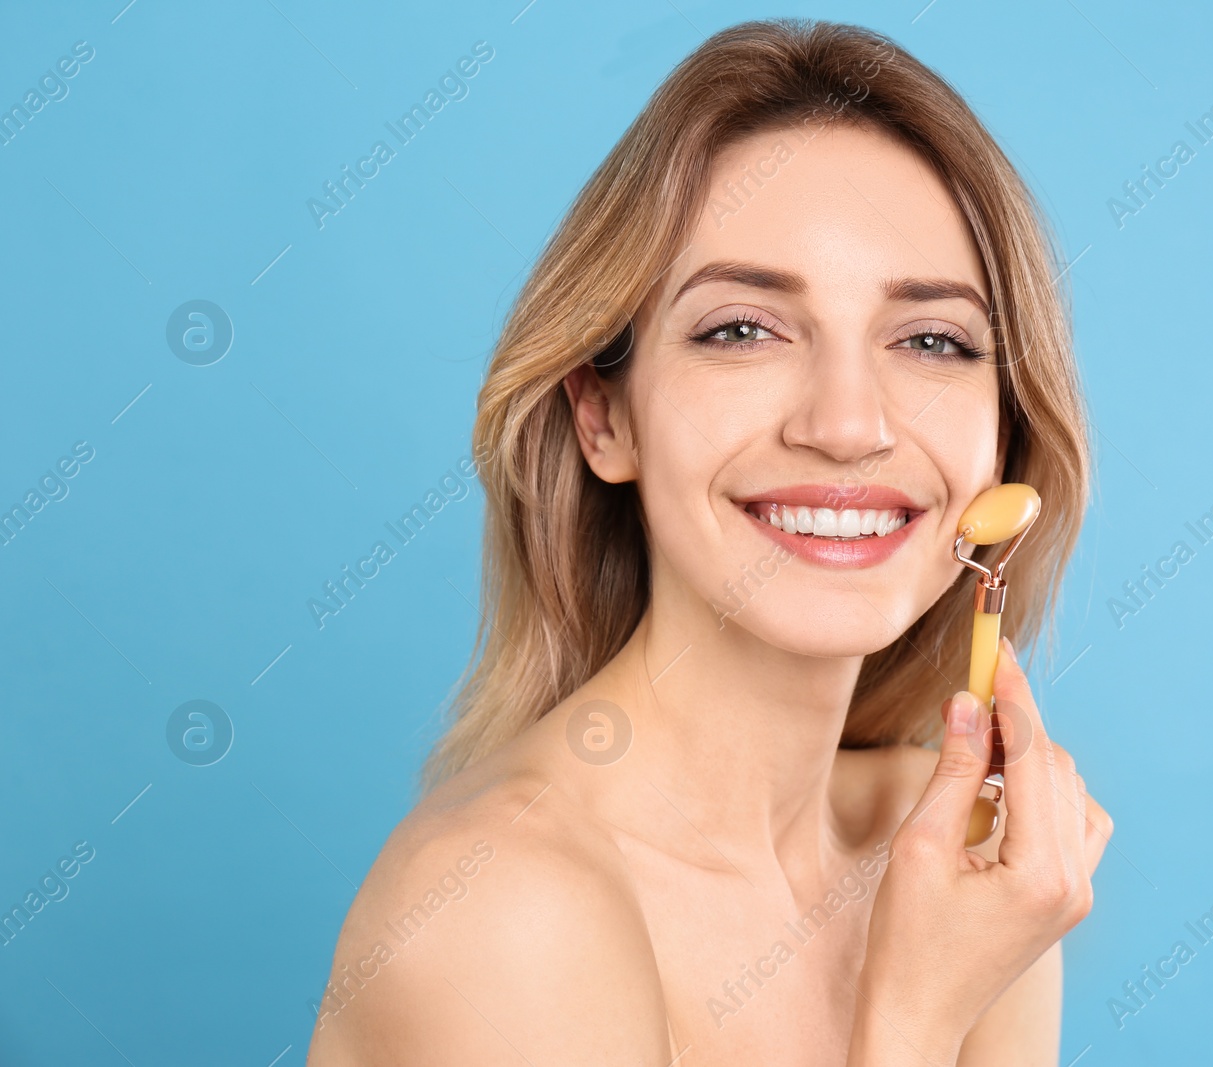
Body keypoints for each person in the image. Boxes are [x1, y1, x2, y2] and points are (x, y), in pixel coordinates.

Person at [307, 18, 1110, 1066]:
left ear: (1004, 437)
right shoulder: (499, 909)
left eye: (931, 339)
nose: (847, 422)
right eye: (742, 327)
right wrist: (914, 1017)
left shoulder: (954, 865)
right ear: (605, 416)